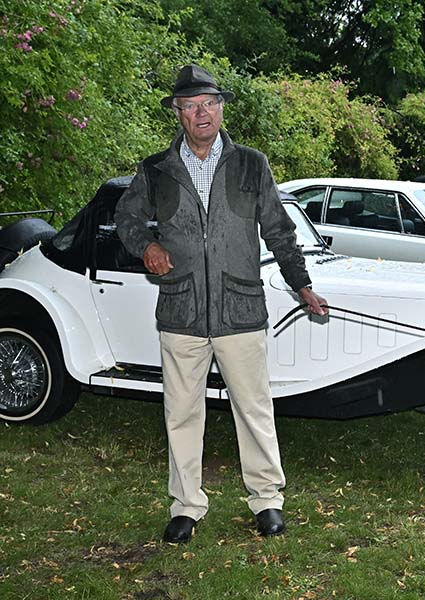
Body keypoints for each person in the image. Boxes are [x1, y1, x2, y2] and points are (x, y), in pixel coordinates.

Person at [115, 64, 328, 544]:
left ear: (221, 107)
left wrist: (302, 284)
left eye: (208, 103)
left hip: (240, 311)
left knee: (254, 410)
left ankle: (267, 501)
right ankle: (186, 506)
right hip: (181, 312)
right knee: (181, 413)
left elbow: (279, 230)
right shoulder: (155, 170)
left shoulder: (252, 164)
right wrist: (146, 246)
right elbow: (126, 218)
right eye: (190, 105)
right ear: (177, 113)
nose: (201, 113)